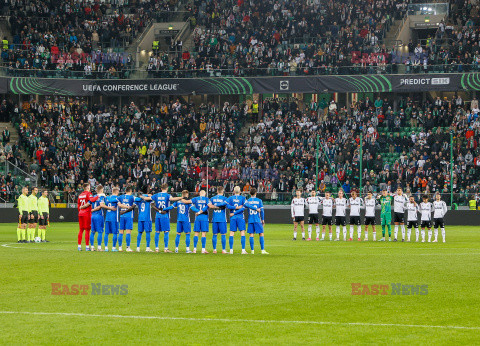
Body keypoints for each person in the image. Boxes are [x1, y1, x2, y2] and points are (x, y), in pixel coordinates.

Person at [150, 184, 183, 253]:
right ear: (167, 188)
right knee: (166, 232)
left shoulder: (156, 195)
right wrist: (181, 197)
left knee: (157, 232)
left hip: (157, 215)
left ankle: (156, 248)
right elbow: (172, 199)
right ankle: (166, 248)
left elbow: (151, 203)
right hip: (165, 215)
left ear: (161, 188)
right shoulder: (167, 195)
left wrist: (143, 196)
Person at [243, 188, 268, 254]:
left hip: (250, 219)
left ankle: (252, 251)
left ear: (250, 193)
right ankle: (262, 250)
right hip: (257, 219)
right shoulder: (259, 200)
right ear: (256, 193)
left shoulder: (247, 201)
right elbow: (262, 211)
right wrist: (262, 219)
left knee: (251, 234)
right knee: (261, 233)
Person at [103, 187, 129, 252]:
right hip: (114, 218)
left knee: (106, 233)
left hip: (107, 218)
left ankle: (106, 247)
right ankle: (113, 247)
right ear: (117, 192)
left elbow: (105, 205)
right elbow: (120, 205)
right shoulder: (117, 198)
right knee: (115, 233)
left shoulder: (107, 198)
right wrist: (128, 207)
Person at [226, 186, 248, 254]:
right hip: (240, 217)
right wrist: (237, 207)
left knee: (232, 233)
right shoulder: (243, 198)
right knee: (242, 232)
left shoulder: (230, 198)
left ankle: (231, 250)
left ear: (233, 191)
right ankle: (243, 250)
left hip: (233, 217)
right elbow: (244, 207)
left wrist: (234, 209)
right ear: (240, 191)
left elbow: (227, 206)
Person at [77, 183, 100, 251]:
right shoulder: (88, 194)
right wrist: (98, 196)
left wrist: (79, 211)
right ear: (87, 187)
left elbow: (78, 205)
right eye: (89, 186)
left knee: (81, 230)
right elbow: (92, 200)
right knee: (87, 230)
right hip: (86, 213)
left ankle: (79, 246)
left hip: (80, 213)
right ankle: (87, 247)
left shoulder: (80, 195)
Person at [208, 186, 229, 254]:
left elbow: (210, 206)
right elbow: (227, 205)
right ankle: (223, 250)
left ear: (217, 191)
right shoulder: (225, 198)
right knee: (223, 234)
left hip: (215, 219)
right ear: (223, 191)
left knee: (214, 234)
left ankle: (214, 249)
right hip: (222, 219)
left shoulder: (212, 198)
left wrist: (215, 206)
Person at [90, 185, 108, 251]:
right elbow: (102, 205)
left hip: (93, 216)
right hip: (99, 215)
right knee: (100, 232)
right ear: (101, 190)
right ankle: (99, 247)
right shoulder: (102, 196)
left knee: (92, 232)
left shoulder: (93, 196)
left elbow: (88, 203)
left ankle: (92, 247)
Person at [118, 187, 135, 252]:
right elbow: (138, 199)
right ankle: (128, 248)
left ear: (125, 190)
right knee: (128, 231)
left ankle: (120, 247)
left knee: (121, 231)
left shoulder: (120, 197)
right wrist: (129, 207)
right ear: (131, 191)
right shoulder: (132, 197)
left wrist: (123, 205)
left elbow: (119, 205)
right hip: (128, 215)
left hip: (122, 215)